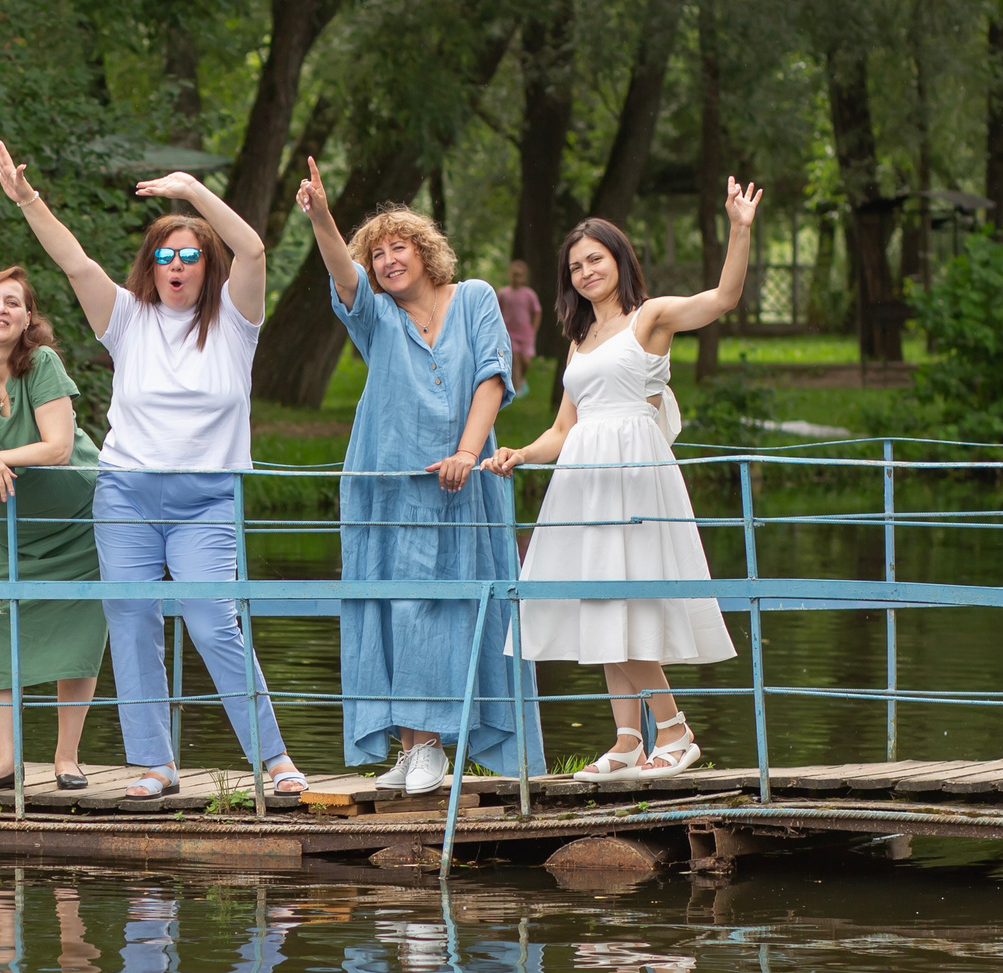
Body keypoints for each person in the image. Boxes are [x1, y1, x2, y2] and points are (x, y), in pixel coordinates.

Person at [0, 139, 307, 802]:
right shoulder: (126, 319)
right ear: (150, 267)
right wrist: (28, 200)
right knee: (132, 622)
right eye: (164, 256)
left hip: (207, 498)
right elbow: (74, 261)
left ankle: (274, 759)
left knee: (213, 620)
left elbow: (253, 250)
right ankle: (155, 765)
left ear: (207, 266)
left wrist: (191, 191)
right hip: (127, 495)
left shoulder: (236, 322)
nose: (176, 266)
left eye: (189, 255)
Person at [485, 181, 762, 777]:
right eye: (576, 266)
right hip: (582, 479)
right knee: (598, 601)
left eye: (596, 259)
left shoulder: (650, 318)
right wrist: (520, 453)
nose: (586, 272)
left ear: (619, 260)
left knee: (621, 602)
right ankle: (627, 740)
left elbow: (724, 298)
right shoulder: (577, 339)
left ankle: (676, 731)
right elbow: (563, 428)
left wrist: (739, 229)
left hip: (633, 473)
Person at [296, 164, 540, 793]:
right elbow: (342, 276)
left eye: (398, 247)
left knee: (455, 610)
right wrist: (321, 216)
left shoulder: (476, 297)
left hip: (466, 484)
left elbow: (493, 378)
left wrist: (466, 452)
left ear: (425, 251)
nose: (387, 261)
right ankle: (415, 747)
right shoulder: (376, 316)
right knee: (398, 609)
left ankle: (434, 744)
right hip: (389, 486)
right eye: (377, 254)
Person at [0, 266, 109, 793]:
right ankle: (7, 761)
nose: (0, 310)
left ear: (29, 317)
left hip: (75, 517)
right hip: (6, 517)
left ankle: (67, 758)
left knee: (78, 627)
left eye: (13, 302)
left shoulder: (43, 361)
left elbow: (57, 447)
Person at [496, 259, 540, 398]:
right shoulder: (503, 293)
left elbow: (537, 312)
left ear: (525, 277)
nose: (517, 278)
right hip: (509, 333)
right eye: (514, 275)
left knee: (526, 361)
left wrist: (533, 330)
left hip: (525, 333)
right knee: (515, 359)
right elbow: (497, 311)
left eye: (520, 275)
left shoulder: (529, 294)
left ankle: (521, 379)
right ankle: (517, 389)